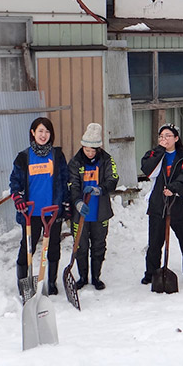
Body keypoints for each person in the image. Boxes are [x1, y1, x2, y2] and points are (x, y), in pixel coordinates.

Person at [10, 117, 69, 296]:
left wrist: (66, 204)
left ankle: (51, 282)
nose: (44, 135)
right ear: (33, 132)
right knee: (27, 247)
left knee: (53, 247)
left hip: (52, 212)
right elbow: (15, 182)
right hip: (31, 213)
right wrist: (18, 198)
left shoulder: (57, 156)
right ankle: (24, 285)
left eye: (47, 131)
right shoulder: (24, 157)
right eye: (40, 131)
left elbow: (64, 180)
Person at [140, 123, 183, 285]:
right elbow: (147, 170)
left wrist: (173, 189)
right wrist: (159, 151)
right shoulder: (153, 153)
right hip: (158, 203)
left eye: (168, 136)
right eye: (161, 136)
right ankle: (151, 273)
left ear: (176, 138)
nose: (164, 139)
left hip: (178, 202)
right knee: (155, 242)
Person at [68, 123, 119, 291]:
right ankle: (83, 276)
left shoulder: (106, 160)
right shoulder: (75, 162)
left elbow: (113, 179)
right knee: (81, 246)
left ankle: (96, 277)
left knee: (98, 245)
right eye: (87, 149)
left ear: (99, 148)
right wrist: (77, 201)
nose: (89, 153)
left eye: (93, 150)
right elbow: (73, 184)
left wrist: (101, 189)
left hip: (100, 212)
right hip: (81, 213)